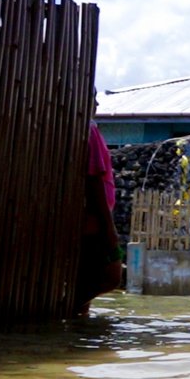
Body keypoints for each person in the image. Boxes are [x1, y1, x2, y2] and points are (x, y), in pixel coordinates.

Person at [74, 121, 122, 316]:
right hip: (94, 224)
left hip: (93, 222)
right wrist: (109, 229)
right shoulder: (90, 128)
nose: (97, 103)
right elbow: (94, 179)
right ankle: (71, 305)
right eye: (94, 97)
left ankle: (78, 317)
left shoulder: (84, 126)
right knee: (112, 275)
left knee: (86, 279)